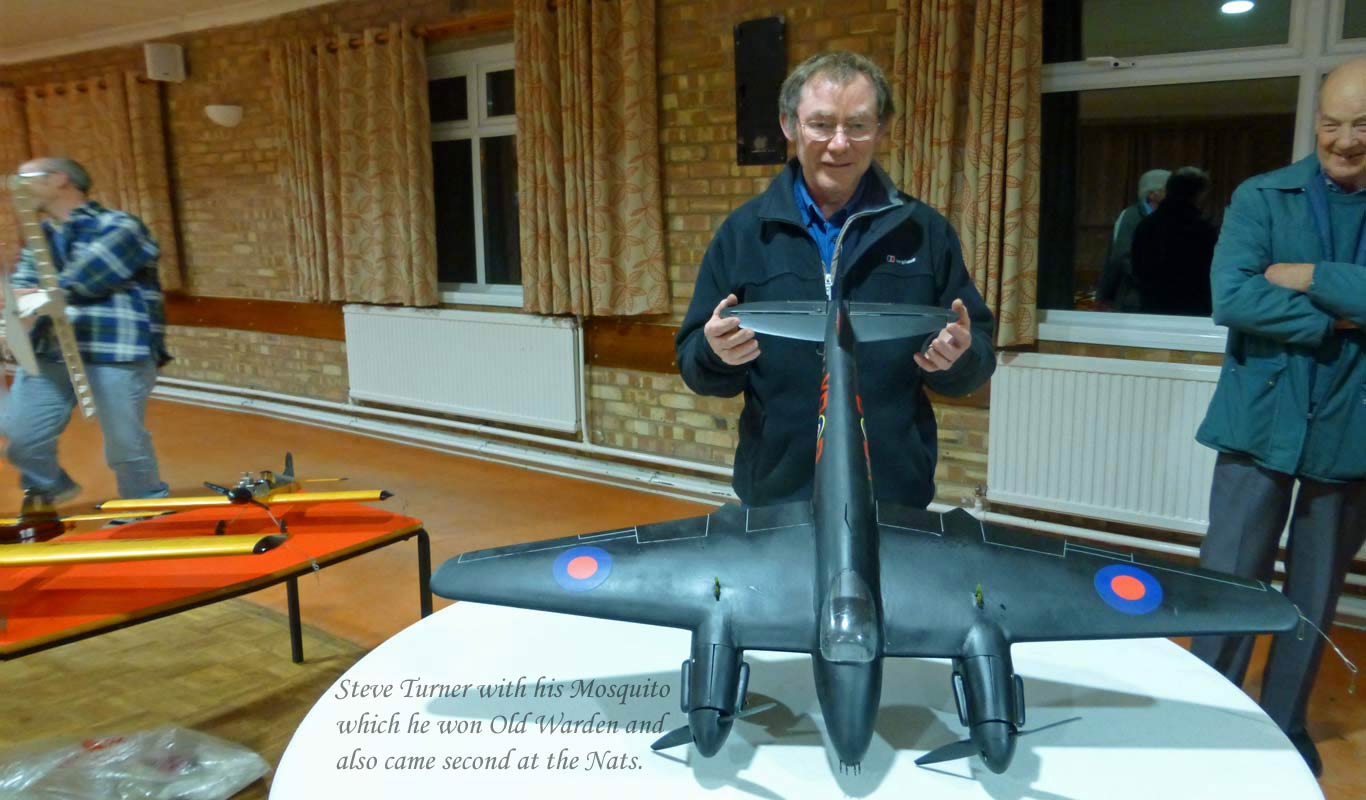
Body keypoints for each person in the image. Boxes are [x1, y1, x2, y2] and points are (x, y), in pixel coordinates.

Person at [674, 51, 995, 508]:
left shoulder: (925, 232)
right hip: (775, 493)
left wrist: (959, 358)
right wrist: (715, 353)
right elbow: (696, 366)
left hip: (893, 492)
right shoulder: (744, 233)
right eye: (821, 124)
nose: (839, 144)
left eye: (857, 125)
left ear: (881, 128)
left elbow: (975, 359)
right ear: (789, 125)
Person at [1191, 57, 1366, 777]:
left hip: (1352, 430)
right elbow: (1232, 297)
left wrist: (1308, 276)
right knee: (1228, 578)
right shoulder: (1262, 196)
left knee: (1314, 592)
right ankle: (1205, 713)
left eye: (1362, 126)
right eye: (1331, 123)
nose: (1344, 140)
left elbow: (1266, 290)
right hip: (1258, 421)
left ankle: (1283, 725)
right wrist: (1340, 317)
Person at [2, 157, 171, 504]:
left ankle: (145, 505)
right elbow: (22, 289)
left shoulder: (119, 226)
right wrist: (21, 299)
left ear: (59, 179)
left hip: (115, 350)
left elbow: (86, 279)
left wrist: (34, 294)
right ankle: (50, 485)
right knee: (21, 435)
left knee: (124, 444)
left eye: (24, 178)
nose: (15, 187)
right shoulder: (41, 237)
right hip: (51, 350)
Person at [1131, 166, 1217, 316]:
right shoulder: (1202, 228)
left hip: (1152, 307)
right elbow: (1210, 272)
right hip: (1193, 309)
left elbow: (1137, 267)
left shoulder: (1146, 225)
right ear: (1198, 194)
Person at [1098, 167, 1169, 311]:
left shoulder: (1168, 217)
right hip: (1134, 298)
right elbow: (1121, 257)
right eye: (1168, 190)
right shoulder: (1131, 216)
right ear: (1152, 194)